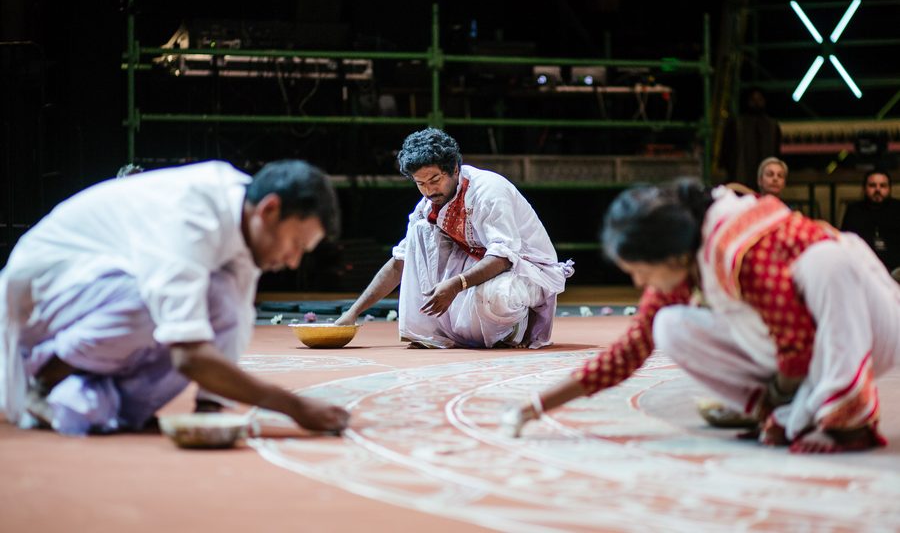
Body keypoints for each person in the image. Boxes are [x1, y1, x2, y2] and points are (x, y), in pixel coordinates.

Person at [504, 179, 900, 453]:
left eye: (639, 270)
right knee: (670, 326)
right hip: (803, 353)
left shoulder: (741, 249)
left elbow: (795, 343)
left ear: (670, 256)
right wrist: (536, 405)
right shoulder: (684, 263)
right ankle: (782, 406)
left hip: (865, 328)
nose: (640, 282)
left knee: (824, 261)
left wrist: (785, 413)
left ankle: (844, 410)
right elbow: (626, 355)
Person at [0, 160, 350, 436]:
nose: (292, 261)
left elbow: (235, 320)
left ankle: (119, 407)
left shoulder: (246, 225)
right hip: (39, 304)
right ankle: (45, 380)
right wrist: (295, 408)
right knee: (159, 307)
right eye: (296, 245)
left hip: (90, 298)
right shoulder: (191, 216)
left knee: (223, 300)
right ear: (270, 210)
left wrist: (211, 410)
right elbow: (189, 356)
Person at [334, 128, 573, 349]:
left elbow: (504, 257)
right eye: (421, 184)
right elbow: (400, 262)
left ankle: (516, 326)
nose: (429, 191)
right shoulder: (429, 205)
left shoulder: (488, 192)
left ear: (455, 169)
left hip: (527, 271)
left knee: (495, 298)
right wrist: (352, 313)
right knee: (420, 230)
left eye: (435, 180)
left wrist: (458, 284)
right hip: (476, 264)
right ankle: (432, 333)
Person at [841, 169, 900, 279]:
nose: (878, 189)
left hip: (896, 269)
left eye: (883, 186)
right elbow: (846, 242)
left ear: (889, 188)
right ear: (864, 188)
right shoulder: (854, 210)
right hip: (863, 268)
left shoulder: (898, 209)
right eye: (872, 185)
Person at [719, 87, 782, 189]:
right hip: (740, 177)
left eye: (759, 99)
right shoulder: (736, 124)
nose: (756, 103)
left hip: (767, 181)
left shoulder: (772, 125)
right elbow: (726, 150)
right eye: (753, 100)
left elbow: (776, 152)